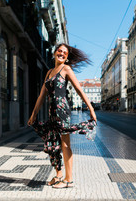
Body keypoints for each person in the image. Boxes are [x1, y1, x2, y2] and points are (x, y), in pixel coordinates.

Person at [28, 43, 97, 189]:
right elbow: (41, 95)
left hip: (62, 111)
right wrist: (33, 114)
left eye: (65, 52)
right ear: (55, 53)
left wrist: (91, 108)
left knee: (65, 144)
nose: (62, 53)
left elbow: (79, 89)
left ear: (66, 57)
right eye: (60, 51)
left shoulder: (66, 69)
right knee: (53, 144)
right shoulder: (49, 72)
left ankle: (69, 179)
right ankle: (59, 175)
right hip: (52, 112)